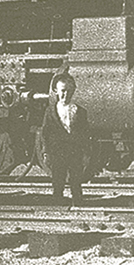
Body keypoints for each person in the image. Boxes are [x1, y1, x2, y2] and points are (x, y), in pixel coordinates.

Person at [39, 73, 91, 204]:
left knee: (76, 180)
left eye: (68, 91)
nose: (65, 95)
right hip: (58, 151)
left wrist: (86, 153)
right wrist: (46, 152)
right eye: (62, 91)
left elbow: (85, 135)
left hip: (75, 151)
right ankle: (58, 204)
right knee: (58, 179)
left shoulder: (80, 111)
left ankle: (77, 204)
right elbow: (45, 133)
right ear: (56, 91)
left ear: (73, 91)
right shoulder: (50, 111)